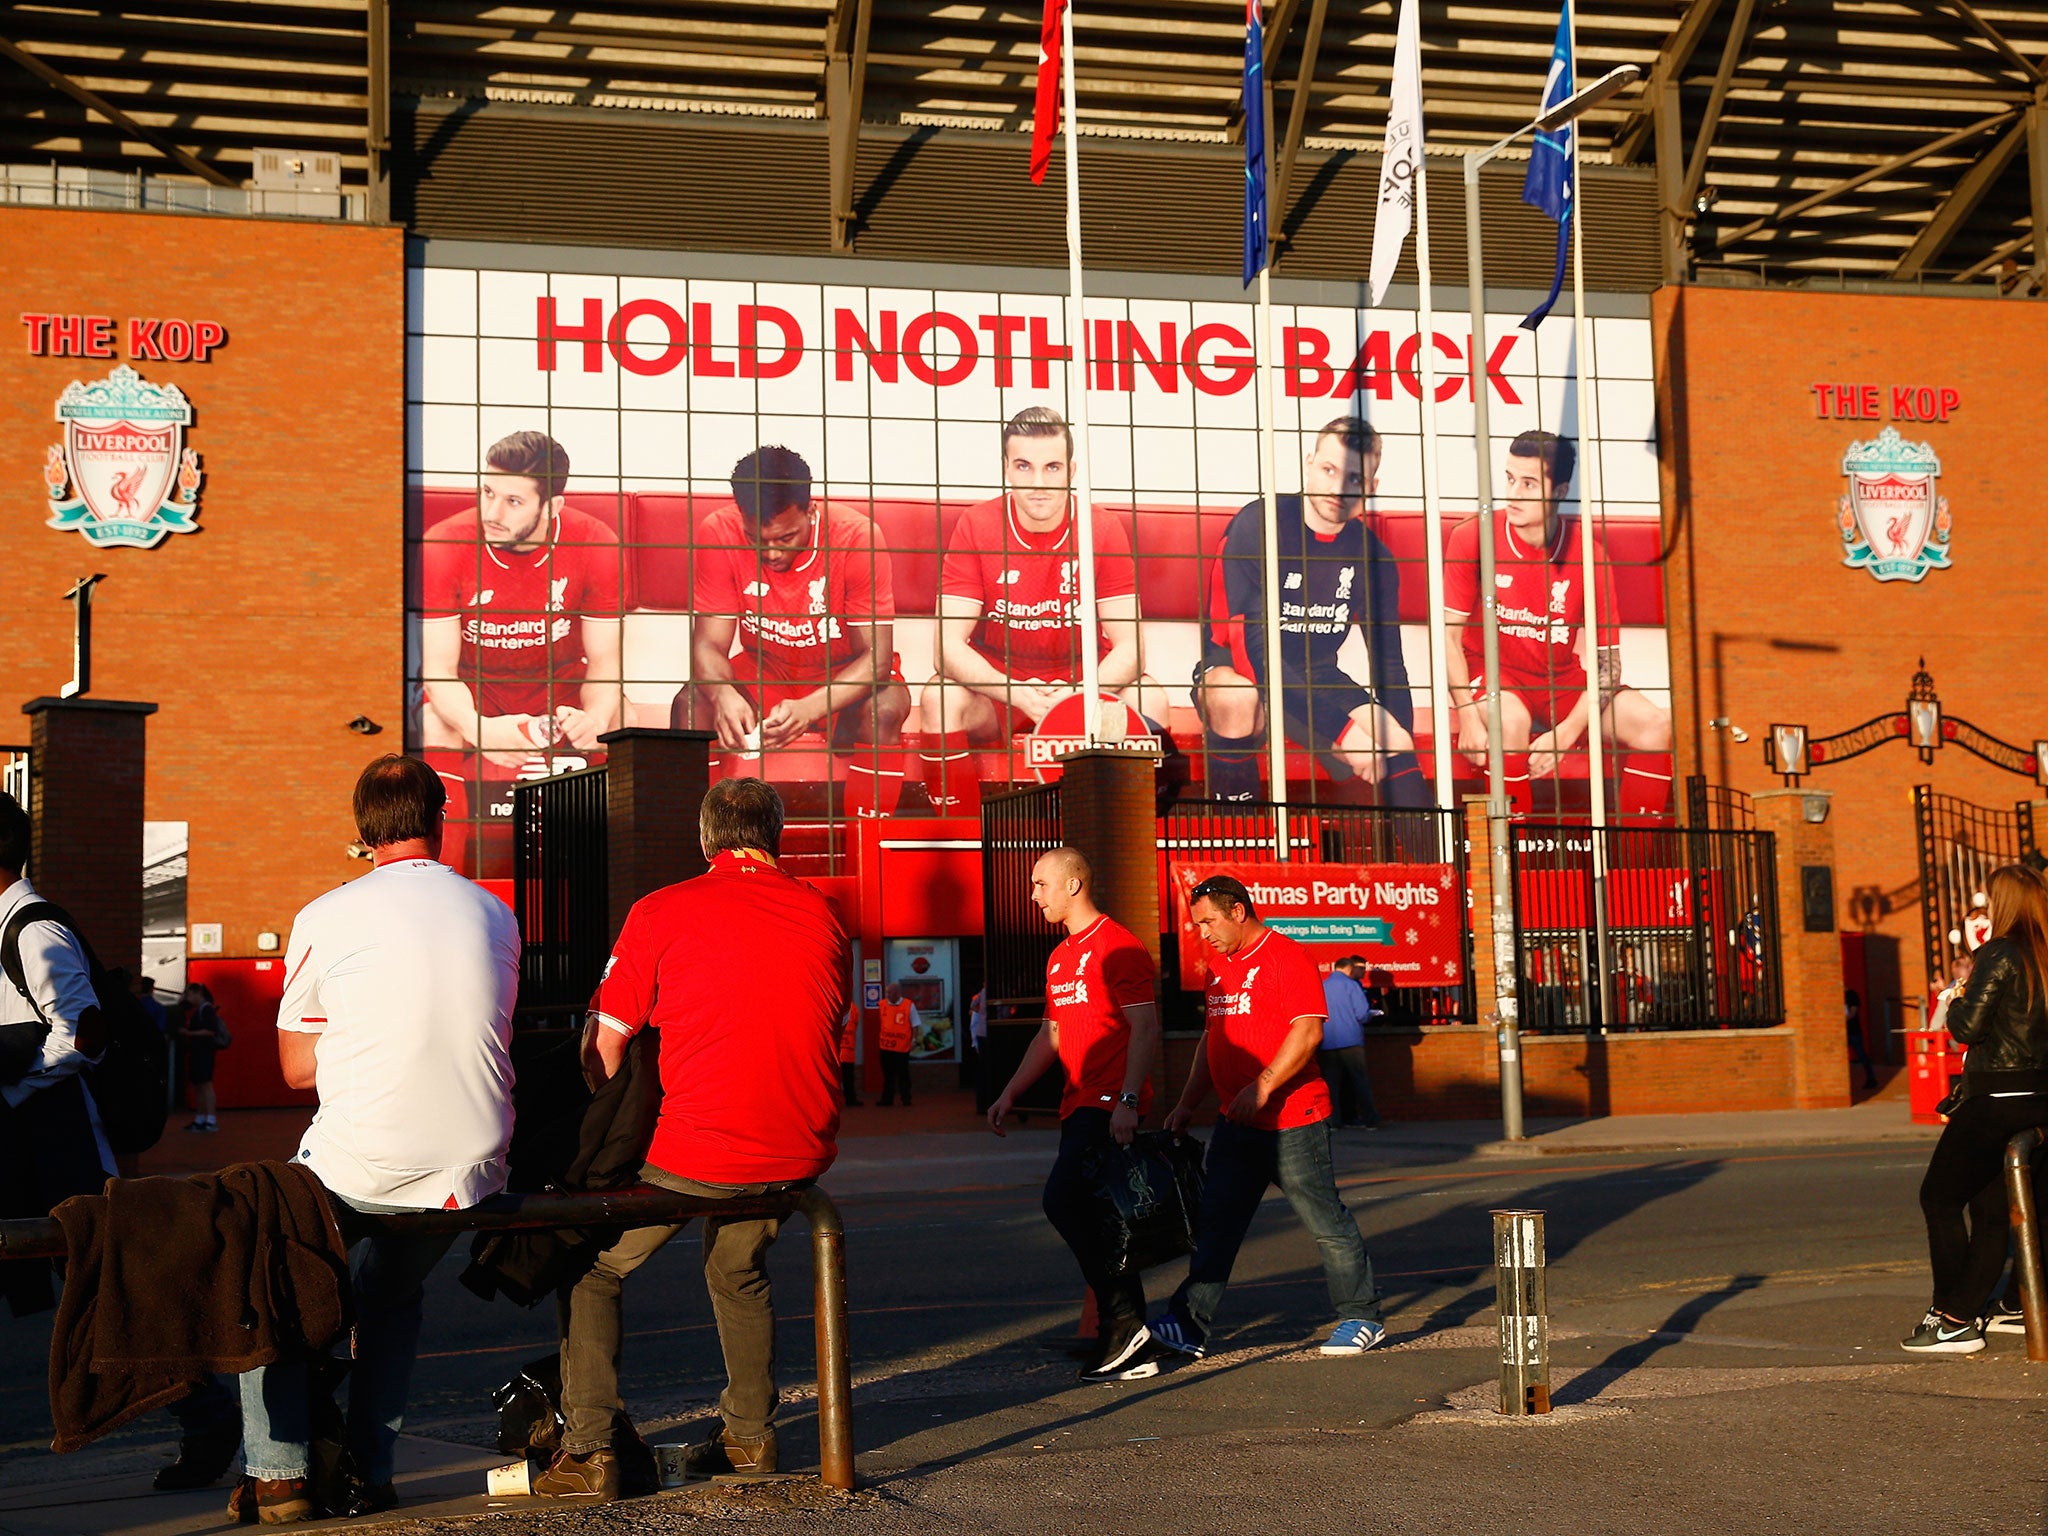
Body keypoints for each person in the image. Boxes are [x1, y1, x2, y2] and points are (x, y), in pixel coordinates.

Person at [534, 779, 848, 1499]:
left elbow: (602, 1050)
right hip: (797, 1143)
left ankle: (590, 1449)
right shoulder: (824, 915)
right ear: (776, 839)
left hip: (699, 1148)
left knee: (593, 1268)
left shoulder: (662, 910)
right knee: (739, 1269)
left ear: (706, 840)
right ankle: (748, 1435)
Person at [236, 755, 520, 1522]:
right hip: (471, 1160)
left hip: (363, 1157)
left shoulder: (327, 915)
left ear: (362, 832)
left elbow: (297, 1070)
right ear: (442, 821)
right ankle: (372, 1469)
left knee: (271, 1275)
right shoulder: (495, 912)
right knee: (388, 1301)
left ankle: (279, 1473)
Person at [1148, 875, 1385, 1359]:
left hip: (1292, 1119)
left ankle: (1362, 1316)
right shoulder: (1218, 967)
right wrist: (1188, 1102)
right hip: (1236, 1121)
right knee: (1217, 1223)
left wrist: (1262, 1087)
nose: (1203, 933)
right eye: (1197, 925)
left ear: (1237, 911)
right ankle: (1188, 1326)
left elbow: (1307, 1032)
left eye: (1209, 921)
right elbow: (1210, 1042)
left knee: (1325, 1219)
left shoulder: (1287, 956)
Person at [920, 407, 1168, 806]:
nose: (1038, 483)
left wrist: (1079, 697)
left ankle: (1131, 842)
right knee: (939, 697)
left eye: (1052, 467)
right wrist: (1015, 692)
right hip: (1000, 690)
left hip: (1081, 685)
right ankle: (962, 836)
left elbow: (1131, 647)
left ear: (1071, 471)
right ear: (1006, 468)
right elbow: (945, 646)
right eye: (1024, 466)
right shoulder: (976, 524)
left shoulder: (1100, 527)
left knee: (1150, 698)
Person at [988, 848, 1163, 1381]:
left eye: (1041, 883)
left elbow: (1146, 1027)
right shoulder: (1062, 955)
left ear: (1073, 884)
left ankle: (1127, 1322)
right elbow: (1052, 1033)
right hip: (1076, 1101)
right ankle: (1123, 1329)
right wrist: (1011, 1092)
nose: (1033, 894)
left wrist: (1128, 1100)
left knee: (1062, 1200)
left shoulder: (1119, 947)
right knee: (1094, 1216)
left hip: (1108, 1103)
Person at [418, 430, 624, 871]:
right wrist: (481, 730)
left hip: (559, 686)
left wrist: (596, 722)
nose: (491, 512)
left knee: (623, 716)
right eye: (488, 492)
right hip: (479, 688)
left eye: (512, 501)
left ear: (551, 508)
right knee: (434, 720)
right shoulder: (444, 543)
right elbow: (438, 671)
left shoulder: (596, 541)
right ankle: (438, 878)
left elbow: (606, 666)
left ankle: (614, 882)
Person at [1194, 416, 1423, 806]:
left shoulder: (1373, 555)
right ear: (1309, 463)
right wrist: (1345, 732)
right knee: (1236, 698)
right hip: (1241, 667)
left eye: (1353, 478)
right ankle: (1238, 835)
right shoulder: (1259, 525)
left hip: (1319, 676)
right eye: (1329, 470)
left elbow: (1390, 664)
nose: (1337, 488)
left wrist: (1397, 735)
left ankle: (1426, 861)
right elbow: (1255, 654)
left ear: (1371, 487)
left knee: (1396, 742)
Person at [1442, 429, 1672, 816]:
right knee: (1507, 722)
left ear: (1560, 490)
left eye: (1529, 484)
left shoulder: (1589, 555)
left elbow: (1607, 663)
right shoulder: (1473, 536)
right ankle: (1510, 863)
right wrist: (1467, 714)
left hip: (1558, 678)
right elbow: (1448, 638)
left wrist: (1566, 733)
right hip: (1495, 673)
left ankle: (1633, 868)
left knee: (1656, 725)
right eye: (1510, 479)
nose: (1513, 494)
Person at [675, 445, 910, 819]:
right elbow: (708, 643)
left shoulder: (857, 536)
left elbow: (876, 659)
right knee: (691, 705)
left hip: (840, 677)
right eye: (758, 538)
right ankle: (697, 854)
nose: (770, 553)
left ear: (810, 510)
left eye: (785, 538)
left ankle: (868, 852)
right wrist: (722, 695)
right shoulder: (718, 530)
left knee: (884, 709)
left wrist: (810, 707)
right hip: (767, 671)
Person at [1905, 864, 2048, 1354]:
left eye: (1989, 899)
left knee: (1940, 1199)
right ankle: (1998, 1307)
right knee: (1992, 1208)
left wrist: (1961, 994)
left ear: (2004, 903)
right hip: (2040, 1097)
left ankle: (1951, 1315)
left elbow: (1967, 1028)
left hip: (1996, 1097)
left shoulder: (1999, 953)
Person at [1317, 956, 1380, 1129]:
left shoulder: (1323, 986)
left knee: (1331, 1085)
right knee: (1359, 1081)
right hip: (1351, 1040)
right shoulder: (1352, 985)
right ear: (1349, 969)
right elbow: (1361, 1013)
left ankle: (1333, 1121)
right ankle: (1370, 1120)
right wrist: (1370, 1015)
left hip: (1328, 1042)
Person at [178, 981, 227, 1132]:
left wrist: (189, 1034)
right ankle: (201, 1118)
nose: (187, 998)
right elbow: (181, 1005)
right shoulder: (199, 1009)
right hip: (198, 1052)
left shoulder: (206, 1009)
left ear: (197, 993)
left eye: (189, 994)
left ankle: (210, 1119)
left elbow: (210, 1031)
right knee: (199, 1085)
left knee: (205, 1085)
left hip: (205, 1052)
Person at [877, 981, 918, 1107]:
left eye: (890, 992)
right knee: (887, 1074)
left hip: (901, 1046)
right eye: (887, 992)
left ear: (897, 993)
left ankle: (906, 1098)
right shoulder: (882, 1004)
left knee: (903, 1074)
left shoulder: (908, 1005)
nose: (887, 995)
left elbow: (915, 1024)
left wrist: (914, 1040)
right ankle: (887, 1099)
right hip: (886, 1046)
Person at [1845, 987, 1879, 1091]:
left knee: (1861, 1055)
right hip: (1843, 1032)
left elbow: (1853, 1013)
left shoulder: (1852, 995)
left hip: (1853, 1031)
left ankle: (1871, 1078)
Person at [838, 1005, 862, 1108]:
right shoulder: (853, 1008)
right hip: (841, 1051)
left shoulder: (854, 1009)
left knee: (848, 1078)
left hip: (846, 1051)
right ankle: (849, 1099)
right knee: (846, 1078)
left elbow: (855, 1023)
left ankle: (850, 1099)